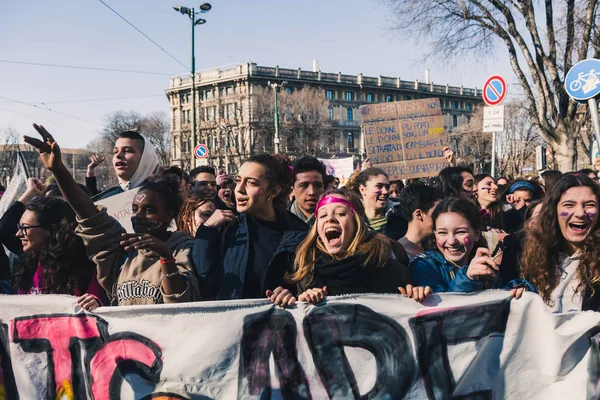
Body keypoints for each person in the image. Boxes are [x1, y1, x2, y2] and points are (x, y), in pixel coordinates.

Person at [25, 124, 199, 306]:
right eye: (134, 209)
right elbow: (90, 217)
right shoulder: (123, 248)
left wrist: (165, 256)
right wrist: (58, 169)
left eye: (149, 210)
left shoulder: (183, 247)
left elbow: (178, 302)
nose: (138, 216)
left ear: (169, 214)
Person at [266, 188, 431, 307]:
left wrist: (416, 296)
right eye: (322, 215)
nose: (330, 219)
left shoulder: (388, 267)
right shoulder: (305, 270)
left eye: (340, 213)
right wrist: (295, 300)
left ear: (356, 223)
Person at [193, 153, 308, 300]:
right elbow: (204, 280)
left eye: (251, 183)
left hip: (279, 320)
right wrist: (207, 231)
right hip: (233, 320)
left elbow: (307, 284)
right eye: (238, 180)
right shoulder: (227, 227)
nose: (239, 189)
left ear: (273, 191)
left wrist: (293, 295)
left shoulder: (299, 233)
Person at [519, 174, 600, 311]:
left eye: (589, 205)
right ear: (554, 211)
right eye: (569, 205)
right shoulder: (532, 256)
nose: (580, 213)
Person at [409, 197, 505, 293]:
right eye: (442, 233)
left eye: (460, 232)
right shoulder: (424, 266)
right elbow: (443, 306)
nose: (451, 241)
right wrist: (467, 279)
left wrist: (515, 287)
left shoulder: (485, 266)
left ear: (476, 234)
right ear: (435, 234)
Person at [92, 131, 160, 200]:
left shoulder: (162, 197)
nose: (118, 155)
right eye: (115, 152)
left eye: (127, 150)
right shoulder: (106, 199)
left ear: (146, 158)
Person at [346, 167, 407, 240]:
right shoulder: (352, 220)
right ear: (362, 189)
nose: (385, 191)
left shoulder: (402, 215)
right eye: (379, 186)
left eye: (387, 187)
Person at [397, 184, 443, 259]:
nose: (442, 218)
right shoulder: (397, 254)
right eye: (437, 213)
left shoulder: (439, 247)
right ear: (419, 214)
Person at [288, 156, 326, 225]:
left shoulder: (335, 224)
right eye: (304, 185)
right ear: (292, 189)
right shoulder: (279, 224)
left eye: (318, 186)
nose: (312, 192)